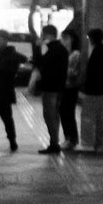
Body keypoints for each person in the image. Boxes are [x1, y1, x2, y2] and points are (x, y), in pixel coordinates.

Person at [33, 24, 69, 154]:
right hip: (58, 87)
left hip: (51, 87)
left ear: (46, 35)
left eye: (43, 34)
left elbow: (39, 63)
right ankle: (54, 142)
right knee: (54, 115)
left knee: (50, 115)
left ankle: (54, 143)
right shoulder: (61, 49)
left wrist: (37, 47)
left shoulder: (54, 49)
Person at [82, 28, 103, 154]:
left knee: (92, 118)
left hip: (95, 90)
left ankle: (93, 144)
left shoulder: (99, 51)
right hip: (102, 89)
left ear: (92, 38)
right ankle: (98, 145)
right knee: (100, 117)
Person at [59, 29, 82, 151]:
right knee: (63, 112)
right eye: (63, 38)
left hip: (71, 87)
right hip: (64, 87)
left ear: (72, 39)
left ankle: (71, 139)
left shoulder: (75, 54)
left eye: (65, 38)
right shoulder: (66, 53)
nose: (63, 40)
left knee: (68, 112)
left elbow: (73, 72)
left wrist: (64, 70)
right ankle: (68, 138)